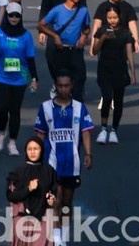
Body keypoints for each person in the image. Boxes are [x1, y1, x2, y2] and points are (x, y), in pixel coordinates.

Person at [34, 71, 93, 240]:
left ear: (72, 86)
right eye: (60, 86)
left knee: (67, 203)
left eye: (66, 86)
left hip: (71, 164)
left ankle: (64, 234)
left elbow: (86, 132)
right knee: (56, 201)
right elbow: (40, 135)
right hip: (51, 163)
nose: (63, 89)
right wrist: (36, 160)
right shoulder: (45, 108)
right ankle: (57, 238)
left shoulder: (79, 108)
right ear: (55, 85)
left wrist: (88, 153)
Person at [0, 2, 38, 157]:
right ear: (6, 16)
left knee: (14, 110)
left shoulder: (26, 35)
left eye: (17, 16)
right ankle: (1, 132)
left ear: (20, 17)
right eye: (11, 15)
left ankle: (12, 142)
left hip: (19, 78)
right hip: (0, 76)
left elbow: (30, 58)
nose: (14, 18)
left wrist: (34, 78)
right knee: (1, 107)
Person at [37, 0, 90, 101]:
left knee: (80, 79)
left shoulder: (83, 11)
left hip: (76, 52)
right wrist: (55, 36)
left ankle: (76, 110)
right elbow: (41, 25)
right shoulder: (57, 10)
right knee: (63, 85)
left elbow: (87, 28)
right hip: (61, 52)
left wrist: (83, 36)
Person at [92, 3, 136, 145]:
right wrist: (104, 37)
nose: (112, 20)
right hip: (104, 70)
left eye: (115, 17)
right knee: (106, 97)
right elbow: (95, 49)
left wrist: (132, 72)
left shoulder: (125, 33)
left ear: (119, 17)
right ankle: (103, 128)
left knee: (118, 101)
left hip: (120, 71)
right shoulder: (101, 31)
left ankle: (114, 130)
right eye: (109, 17)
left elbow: (129, 53)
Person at [5, 135, 57, 246]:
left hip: (43, 220)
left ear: (41, 150)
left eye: (36, 149)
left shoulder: (49, 171)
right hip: (22, 221)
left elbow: (54, 192)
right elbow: (11, 196)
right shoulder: (17, 173)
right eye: (29, 149)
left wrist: (52, 199)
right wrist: (28, 189)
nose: (32, 152)